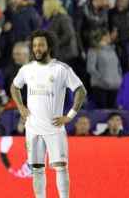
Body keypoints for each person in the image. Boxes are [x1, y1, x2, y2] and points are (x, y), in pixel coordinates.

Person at [10, 30, 87, 198]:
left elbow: (80, 90)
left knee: (60, 166)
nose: (37, 48)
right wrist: (21, 107)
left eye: (41, 45)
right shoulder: (27, 69)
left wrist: (70, 116)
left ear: (49, 47)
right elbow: (14, 87)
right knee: (37, 168)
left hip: (54, 127)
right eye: (35, 45)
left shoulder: (61, 69)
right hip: (32, 128)